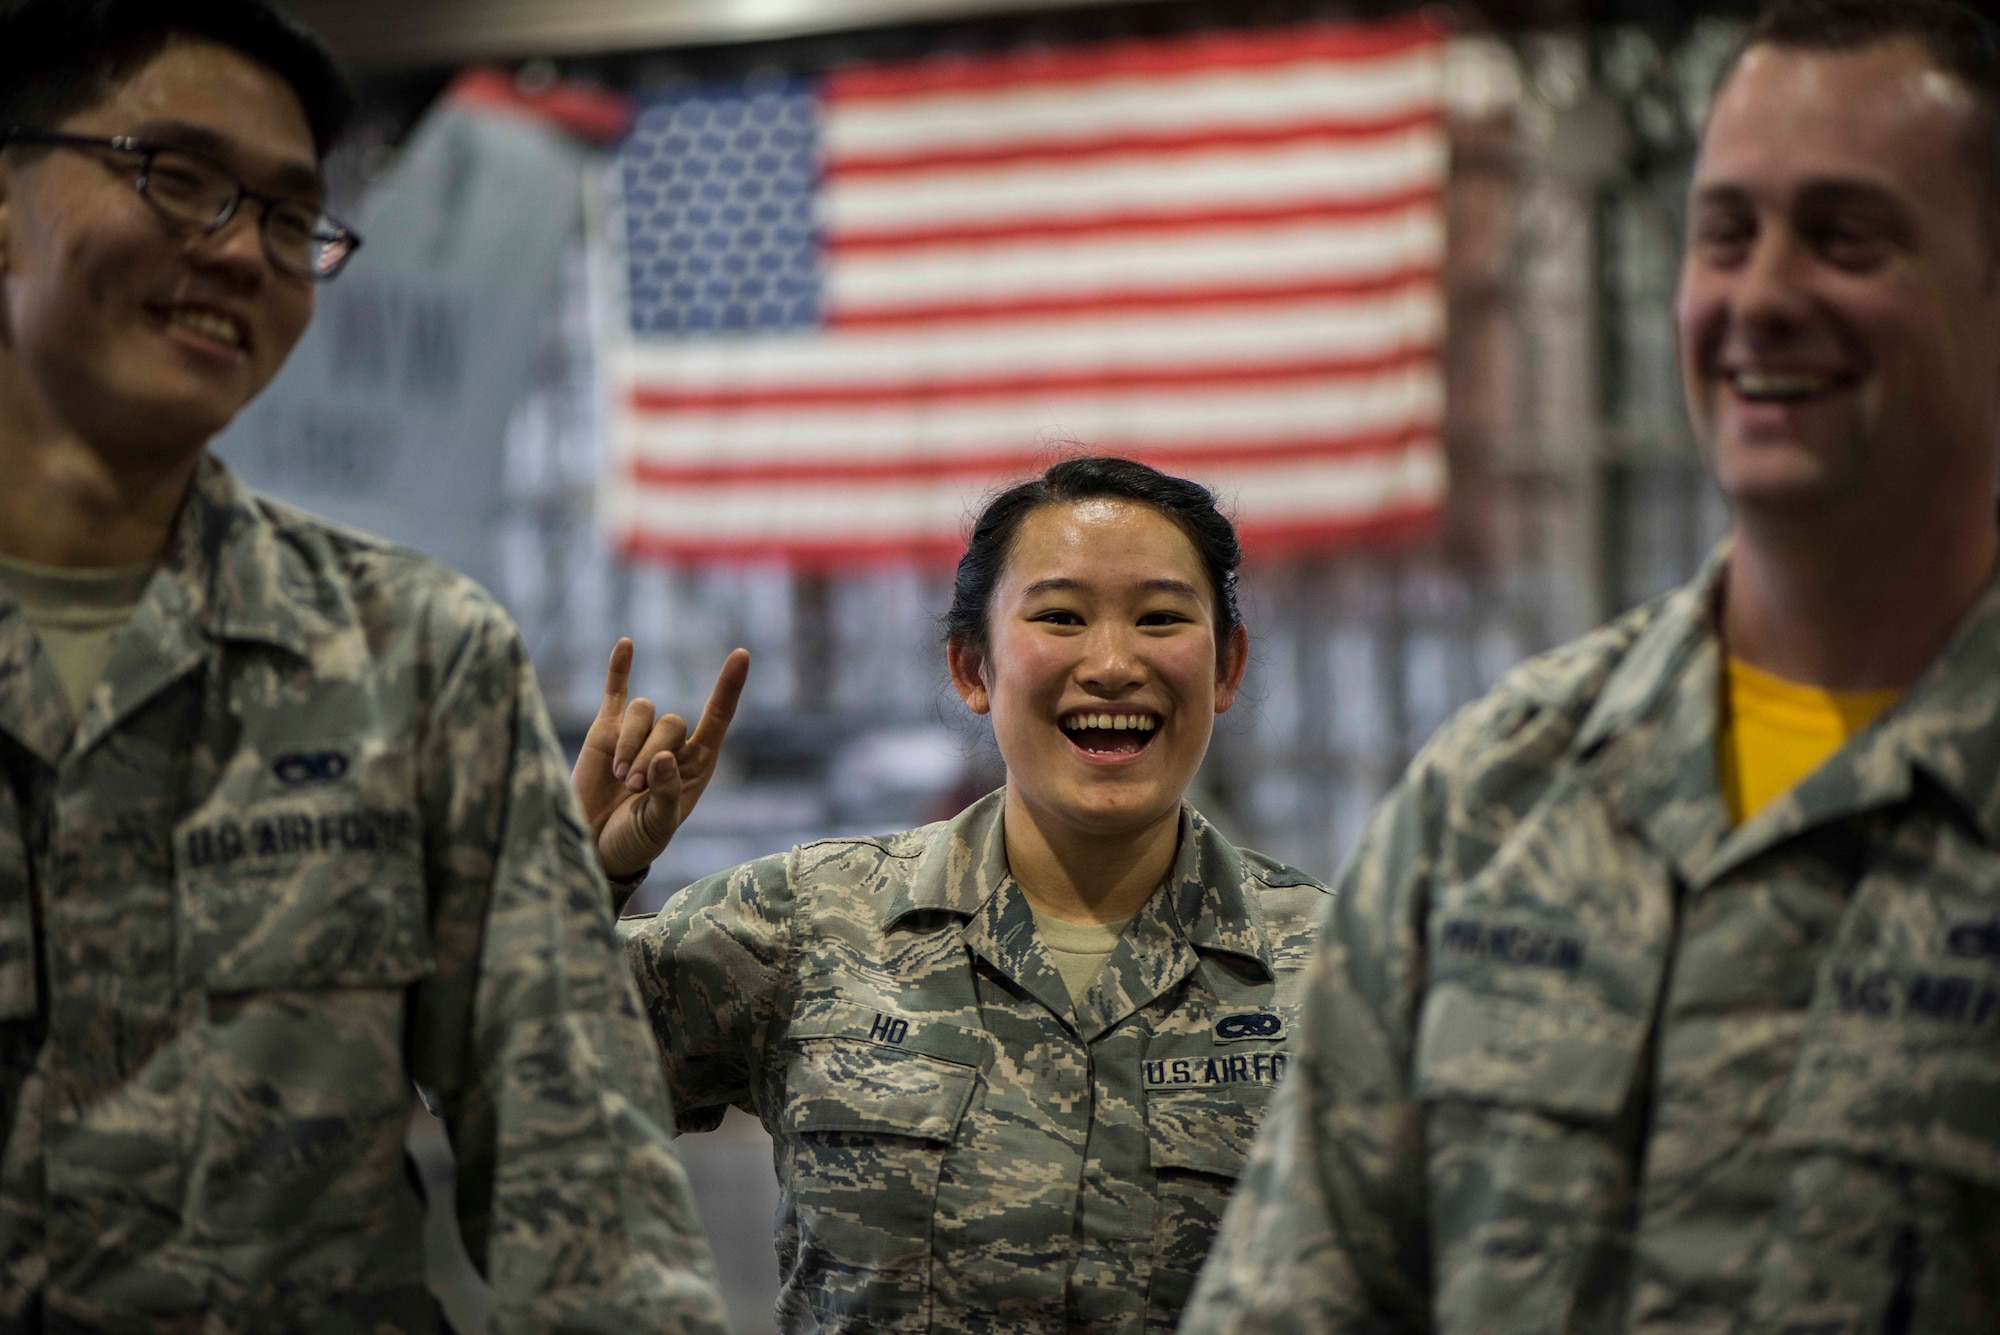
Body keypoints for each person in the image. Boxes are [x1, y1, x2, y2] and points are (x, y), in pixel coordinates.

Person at [1178, 1, 2000, 1331]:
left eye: (1844, 236)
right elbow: (1298, 1288)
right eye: (1724, 232)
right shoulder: (1498, 794)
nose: (1764, 294)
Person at [0, 1, 729, 1328]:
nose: (241, 253)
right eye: (177, 178)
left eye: (290, 218)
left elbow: (587, 1183)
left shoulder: (418, 657)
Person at [601, 456, 1332, 1333]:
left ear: (1226, 665)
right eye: (1060, 616)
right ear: (971, 666)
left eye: (1161, 618)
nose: (1111, 662)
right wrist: (580, 875)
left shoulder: (1341, 965)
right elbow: (493, 1069)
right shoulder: (807, 920)